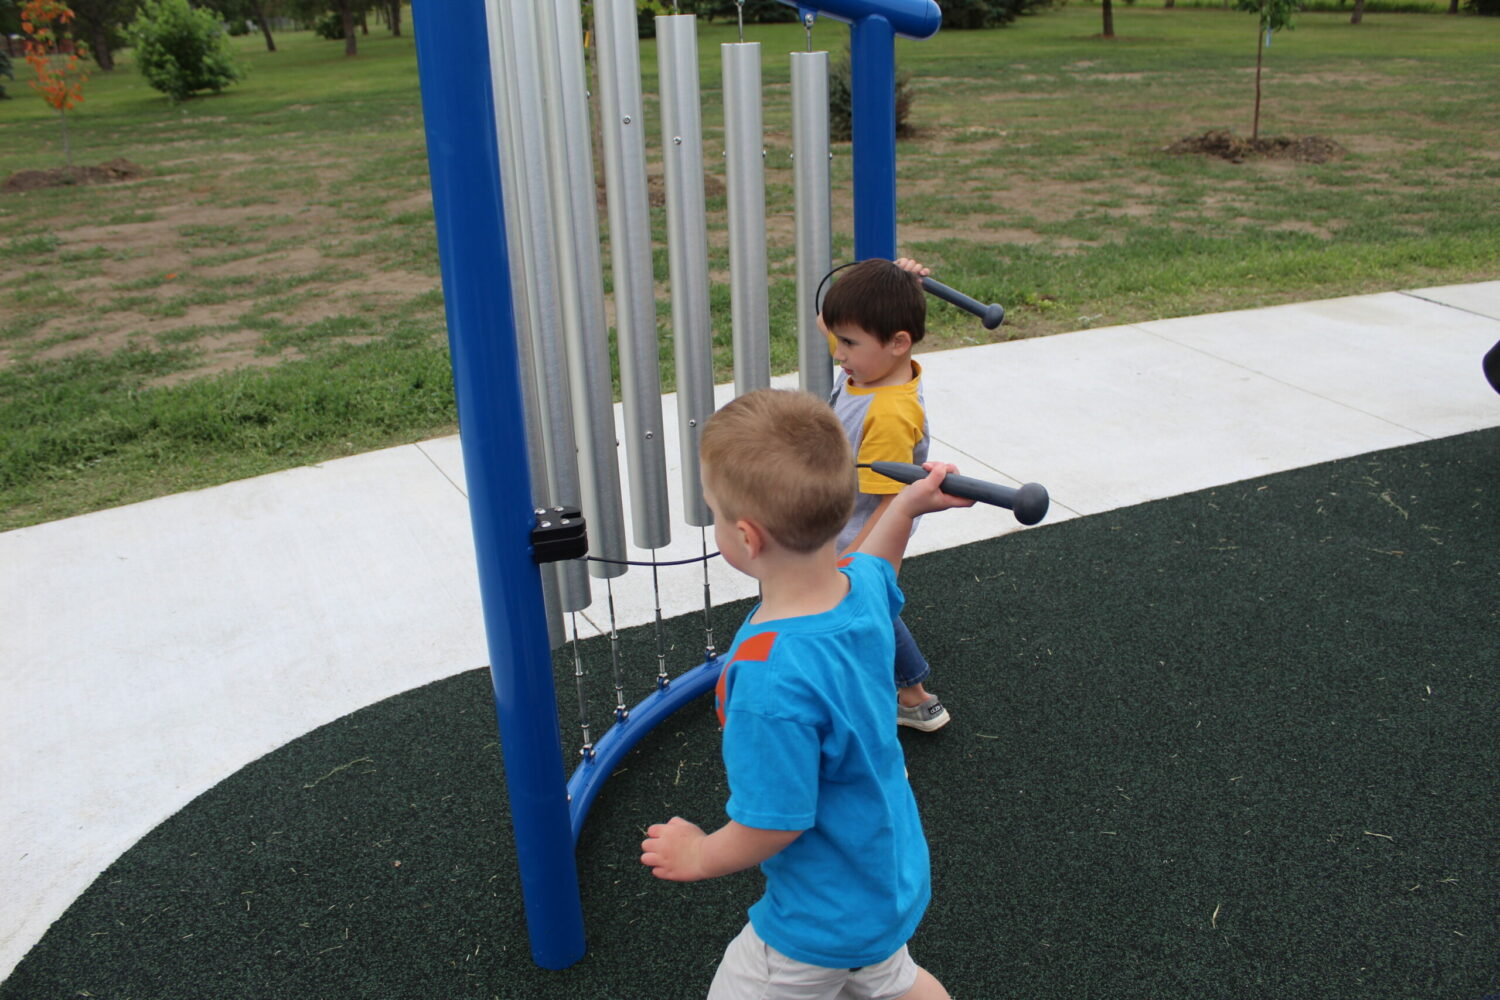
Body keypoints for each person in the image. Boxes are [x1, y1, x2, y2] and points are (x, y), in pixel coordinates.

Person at [640, 389, 968, 1000]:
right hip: (883, 878)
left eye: (714, 512)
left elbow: (774, 824)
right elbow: (876, 564)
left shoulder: (769, 678)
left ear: (745, 536)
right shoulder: (858, 596)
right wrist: (906, 505)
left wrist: (698, 853)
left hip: (816, 920)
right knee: (886, 974)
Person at [819, 256, 948, 732]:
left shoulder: (889, 415)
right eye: (839, 339)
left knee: (862, 611)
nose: (837, 352)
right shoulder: (870, 370)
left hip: (863, 532)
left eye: (848, 343)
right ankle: (913, 695)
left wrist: (857, 559)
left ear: (898, 343)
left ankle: (901, 704)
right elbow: (832, 319)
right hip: (847, 520)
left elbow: (893, 501)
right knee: (870, 609)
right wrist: (895, 279)